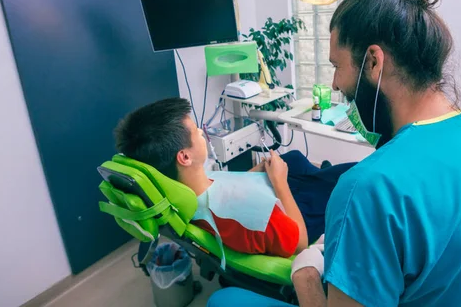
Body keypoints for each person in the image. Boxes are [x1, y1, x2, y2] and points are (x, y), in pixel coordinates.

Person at [207, 0, 461, 306]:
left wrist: (306, 272)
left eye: (337, 66)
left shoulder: (370, 188)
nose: (336, 83)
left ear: (373, 61)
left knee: (225, 300)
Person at [114, 97, 355, 258]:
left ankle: (319, 173)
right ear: (184, 157)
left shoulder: (186, 188)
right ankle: (323, 176)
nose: (202, 131)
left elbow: (223, 185)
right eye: (196, 130)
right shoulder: (254, 215)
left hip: (266, 195)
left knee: (292, 158)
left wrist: (260, 171)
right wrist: (279, 182)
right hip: (292, 213)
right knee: (351, 178)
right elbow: (300, 242)